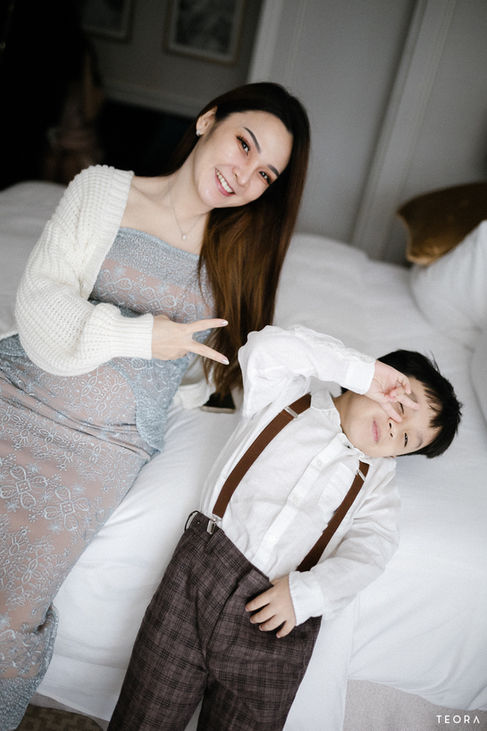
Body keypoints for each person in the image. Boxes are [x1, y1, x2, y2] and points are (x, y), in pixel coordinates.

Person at [0, 82, 310, 730]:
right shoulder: (102, 189)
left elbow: (235, 368)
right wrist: (146, 337)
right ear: (207, 120)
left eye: (265, 174)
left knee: (13, 613)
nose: (244, 175)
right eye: (243, 144)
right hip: (17, 393)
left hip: (102, 447)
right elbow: (40, 309)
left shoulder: (238, 254)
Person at [108, 324, 462, 731]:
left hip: (275, 621)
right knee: (144, 715)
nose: (397, 429)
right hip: (196, 580)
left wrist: (308, 594)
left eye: (408, 440)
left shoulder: (376, 483)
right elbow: (266, 346)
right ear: (377, 378)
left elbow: (371, 552)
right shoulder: (288, 396)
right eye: (401, 406)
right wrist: (360, 371)